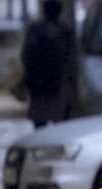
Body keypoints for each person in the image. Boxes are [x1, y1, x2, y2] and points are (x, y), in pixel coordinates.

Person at [21, 0, 77, 129]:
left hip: (38, 83)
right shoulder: (66, 32)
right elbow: (71, 61)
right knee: (60, 120)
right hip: (58, 82)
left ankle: (41, 145)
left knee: (39, 122)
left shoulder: (34, 31)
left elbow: (25, 55)